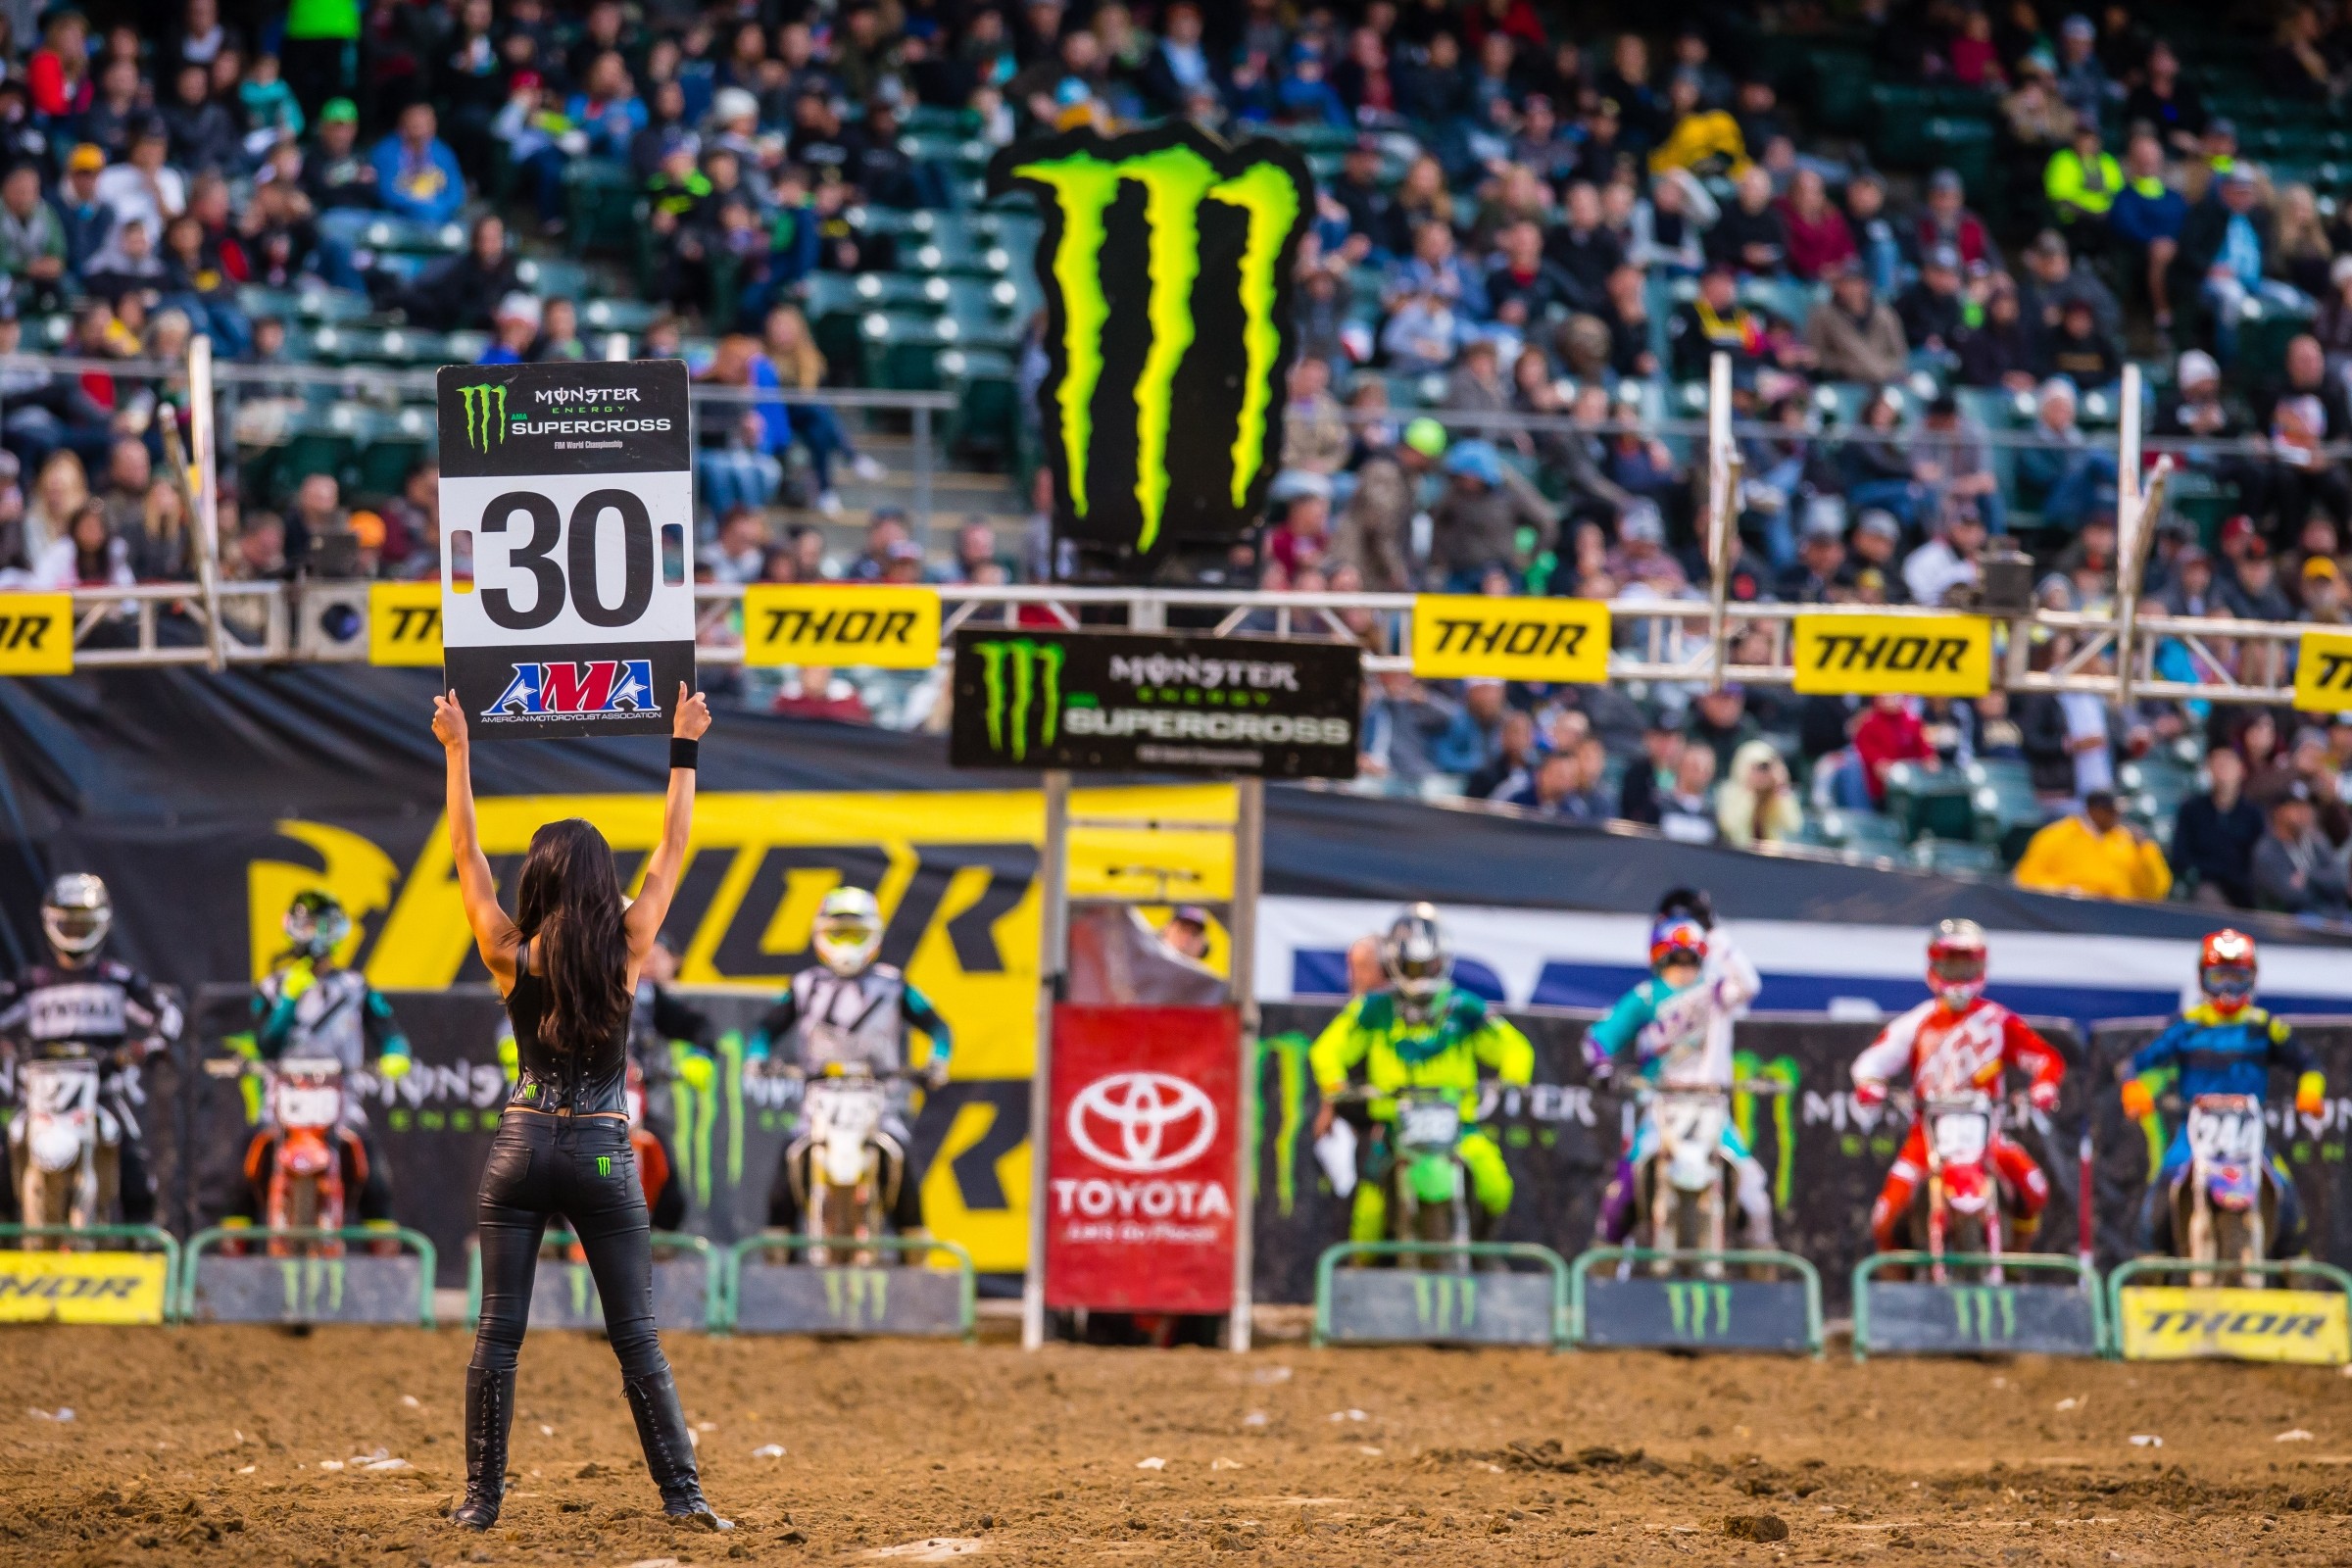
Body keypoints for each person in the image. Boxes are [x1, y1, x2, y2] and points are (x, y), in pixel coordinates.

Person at [430, 682, 727, 1533]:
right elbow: (672, 847)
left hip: (520, 1146)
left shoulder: (507, 950)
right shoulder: (632, 944)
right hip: (601, 1147)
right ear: (601, 881)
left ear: (539, 877)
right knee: (637, 1337)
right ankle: (684, 1497)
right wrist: (683, 746)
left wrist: (459, 750)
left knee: (498, 1335)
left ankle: (480, 1501)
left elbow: (464, 852)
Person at [1308, 905, 1534, 1245]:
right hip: (1393, 1132)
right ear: (1394, 963)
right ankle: (1364, 1277)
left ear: (1442, 960)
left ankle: (1482, 1253)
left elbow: (1515, 1048)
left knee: (1495, 1186)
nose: (1420, 973)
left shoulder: (1464, 1007)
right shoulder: (1374, 1009)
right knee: (1367, 1217)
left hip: (1458, 1129)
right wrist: (1335, 1084)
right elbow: (1328, 1049)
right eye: (1412, 966)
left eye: (1427, 964)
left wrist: (1512, 1077)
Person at [748, 887, 952, 1243]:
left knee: (900, 1158)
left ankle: (914, 1247)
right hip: (819, 1099)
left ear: (873, 936)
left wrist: (937, 1062)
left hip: (879, 1098)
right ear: (820, 934)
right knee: (788, 1162)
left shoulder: (893, 984)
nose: (846, 943)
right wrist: (757, 1058)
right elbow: (766, 1029)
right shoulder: (805, 986)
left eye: (855, 934)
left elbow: (938, 1028)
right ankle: (777, 1251)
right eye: (838, 933)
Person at [1849, 920, 2065, 1252]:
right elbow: (1870, 1063)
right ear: (1935, 965)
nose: (1959, 975)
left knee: (2035, 1189)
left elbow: (2045, 1058)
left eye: (1967, 965)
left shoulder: (1998, 1020)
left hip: (1988, 1134)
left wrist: (2044, 1087)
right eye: (1951, 965)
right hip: (1926, 1136)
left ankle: (2016, 1263)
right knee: (1884, 1218)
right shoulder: (1918, 1020)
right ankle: (1895, 1290)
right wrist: (1870, 1085)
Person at [1583, 897, 1774, 1250]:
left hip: (1712, 1108)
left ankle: (1764, 1278)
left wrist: (1716, 933)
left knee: (1754, 1199)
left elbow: (1750, 984)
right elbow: (1600, 1037)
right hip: (1662, 1108)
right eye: (1675, 960)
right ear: (1659, 959)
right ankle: (1600, 1276)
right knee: (1622, 1195)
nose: (1683, 969)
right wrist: (1602, 1066)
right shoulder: (1645, 997)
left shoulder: (1717, 991)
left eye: (1691, 959)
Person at [2119, 930, 2324, 1258]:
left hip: (2248, 1132)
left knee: (2285, 1192)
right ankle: (2151, 1265)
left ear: (2251, 980)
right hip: (2196, 1132)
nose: (2228, 990)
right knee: (2164, 1184)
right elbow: (2137, 1063)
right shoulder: (2188, 1025)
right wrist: (2134, 1088)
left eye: (2237, 979)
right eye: (2219, 979)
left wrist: (2310, 1090)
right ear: (2204, 980)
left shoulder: (2264, 1026)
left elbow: (2308, 1062)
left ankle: (2294, 1269)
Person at [0, 874, 182, 1227]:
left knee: (134, 1164)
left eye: (83, 924)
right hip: (42, 1097)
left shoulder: (118, 979)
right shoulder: (32, 983)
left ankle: (141, 1243)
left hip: (104, 1089)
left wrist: (146, 1046)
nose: (74, 933)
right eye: (67, 923)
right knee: (6, 1153)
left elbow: (169, 1014)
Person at [240, 891, 411, 1228]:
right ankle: (232, 1250)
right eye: (307, 924)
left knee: (373, 1171)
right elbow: (266, 1045)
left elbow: (390, 1033)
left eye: (322, 924)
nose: (314, 934)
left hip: (340, 1092)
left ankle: (385, 1253)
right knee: (243, 1161)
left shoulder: (355, 987)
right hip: (284, 1093)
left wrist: (396, 1056)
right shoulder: (273, 987)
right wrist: (289, 999)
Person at [2013, 787, 2173, 901]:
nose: (2117, 817)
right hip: (2071, 914)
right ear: (2093, 810)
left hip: (2120, 920)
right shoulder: (2056, 835)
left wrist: (2146, 850)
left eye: (2119, 812)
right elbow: (2025, 879)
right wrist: (2062, 890)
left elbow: (2157, 890)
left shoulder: (2127, 840)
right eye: (2111, 811)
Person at [2251, 781, 2351, 917]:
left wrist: (2308, 877)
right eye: (2295, 806)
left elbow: (2340, 879)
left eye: (2306, 806)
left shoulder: (2316, 842)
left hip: (2333, 915)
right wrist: (2325, 888)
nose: (2304, 811)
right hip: (2290, 924)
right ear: (2278, 811)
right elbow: (2292, 895)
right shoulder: (2266, 850)